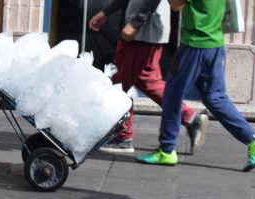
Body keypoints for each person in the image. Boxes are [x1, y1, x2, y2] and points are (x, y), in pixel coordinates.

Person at [136, 0, 255, 171]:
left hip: (194, 45)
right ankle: (253, 139)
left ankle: (166, 150)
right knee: (215, 97)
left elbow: (176, 5)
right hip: (214, 43)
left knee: (172, 97)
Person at [89, 0, 208, 154]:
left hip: (141, 31)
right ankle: (190, 118)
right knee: (146, 80)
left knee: (120, 84)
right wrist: (107, 12)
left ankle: (123, 136)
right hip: (144, 30)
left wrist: (135, 23)